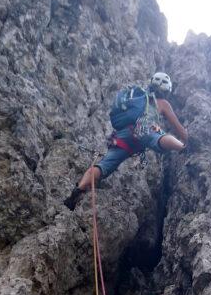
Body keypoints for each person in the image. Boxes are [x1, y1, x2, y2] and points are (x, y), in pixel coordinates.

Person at [64, 72, 188, 210]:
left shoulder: (136, 99)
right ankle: (182, 147)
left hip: (123, 136)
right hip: (144, 128)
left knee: (104, 165)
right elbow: (178, 127)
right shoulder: (163, 103)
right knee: (159, 136)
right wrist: (186, 140)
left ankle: (79, 190)